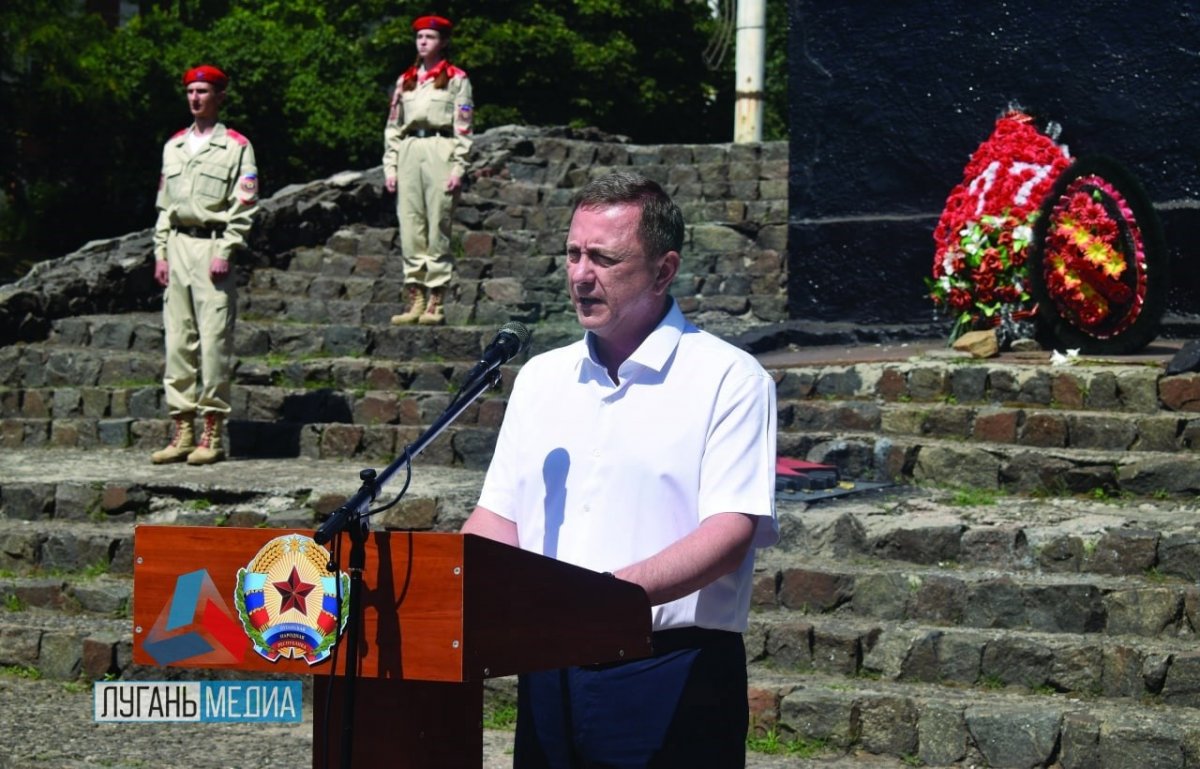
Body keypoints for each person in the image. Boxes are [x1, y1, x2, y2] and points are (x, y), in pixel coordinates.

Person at [462, 172, 778, 768]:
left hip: (670, 666)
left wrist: (601, 601)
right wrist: (455, 579)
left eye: (605, 258)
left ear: (663, 270)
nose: (581, 275)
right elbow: (496, 516)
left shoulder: (729, 379)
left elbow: (729, 533)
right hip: (548, 663)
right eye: (573, 254)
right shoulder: (540, 378)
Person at [150, 64, 259, 465]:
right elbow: (165, 206)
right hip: (178, 246)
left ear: (219, 96)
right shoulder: (174, 145)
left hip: (211, 246)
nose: (195, 98)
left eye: (203, 91)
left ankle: (211, 432)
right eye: (191, 92)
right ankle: (182, 430)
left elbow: (244, 205)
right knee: (177, 342)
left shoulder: (236, 146)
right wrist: (160, 252)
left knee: (213, 343)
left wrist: (226, 249)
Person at [383, 14, 474, 326]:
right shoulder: (405, 80)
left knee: (438, 222)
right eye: (420, 37)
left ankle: (436, 299)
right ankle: (415, 298)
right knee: (410, 225)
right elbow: (393, 127)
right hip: (410, 150)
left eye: (430, 37)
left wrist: (458, 166)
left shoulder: (456, 79)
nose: (423, 42)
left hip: (440, 148)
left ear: (443, 42)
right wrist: (390, 166)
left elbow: (464, 127)